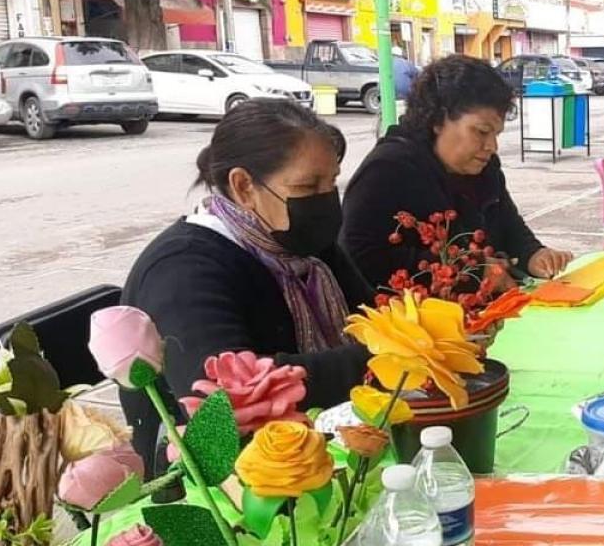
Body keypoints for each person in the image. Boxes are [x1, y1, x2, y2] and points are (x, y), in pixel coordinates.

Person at [120, 100, 373, 472]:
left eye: (331, 182)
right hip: (219, 478)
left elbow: (373, 314)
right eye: (307, 185)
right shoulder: (182, 268)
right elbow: (224, 395)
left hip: (317, 444)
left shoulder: (302, 245)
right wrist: (384, 359)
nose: (325, 198)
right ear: (243, 186)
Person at [341, 54, 574, 289]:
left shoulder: (485, 165)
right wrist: (469, 271)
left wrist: (534, 254)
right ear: (438, 119)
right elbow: (360, 257)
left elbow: (507, 221)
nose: (492, 146)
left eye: (496, 134)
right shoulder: (387, 170)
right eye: (482, 132)